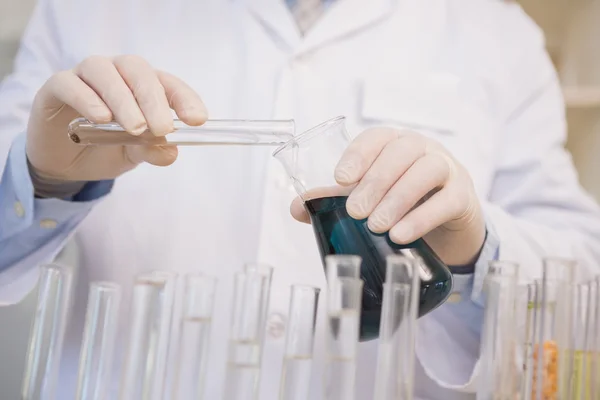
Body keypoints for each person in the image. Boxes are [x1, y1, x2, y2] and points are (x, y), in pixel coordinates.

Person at [1, 0, 599, 398]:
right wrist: (43, 178)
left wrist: (475, 245)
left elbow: (584, 286)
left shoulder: (497, 32)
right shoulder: (87, 9)